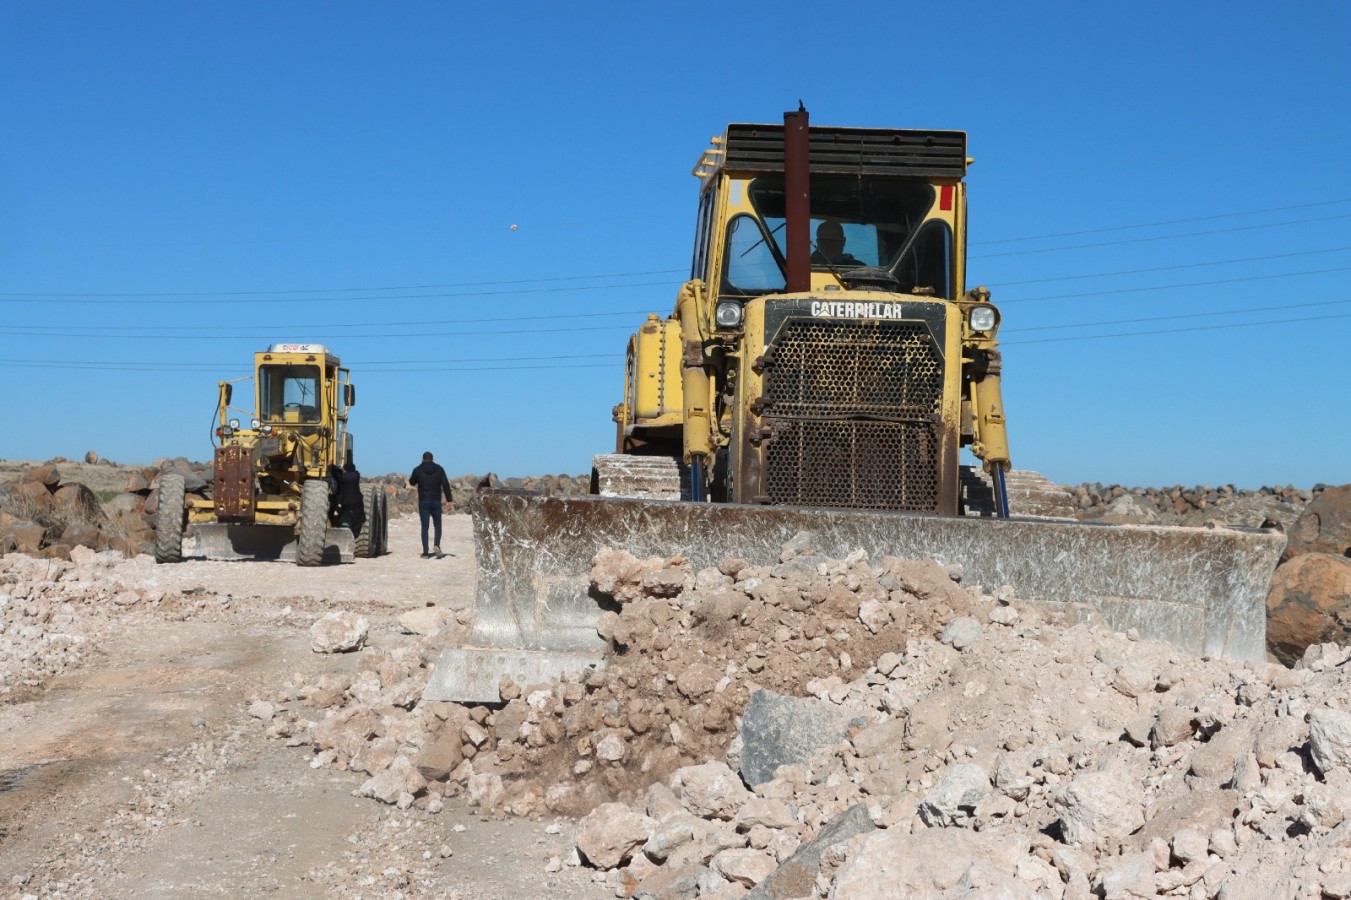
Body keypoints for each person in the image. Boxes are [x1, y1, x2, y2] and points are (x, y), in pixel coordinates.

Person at [409, 451, 454, 559]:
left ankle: (425, 553)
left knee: (425, 526)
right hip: (436, 501)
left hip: (424, 501)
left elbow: (412, 482)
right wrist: (449, 500)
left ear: (423, 459)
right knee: (437, 525)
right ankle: (436, 545)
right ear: (433, 459)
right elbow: (445, 484)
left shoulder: (417, 469)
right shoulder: (439, 469)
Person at [328, 461, 365, 537]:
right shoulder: (356, 475)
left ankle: (346, 542)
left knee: (344, 524)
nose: (343, 471)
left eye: (344, 470)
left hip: (349, 508)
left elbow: (337, 476)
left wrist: (330, 467)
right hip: (358, 506)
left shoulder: (345, 478)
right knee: (356, 526)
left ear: (346, 470)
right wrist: (335, 467)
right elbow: (341, 473)